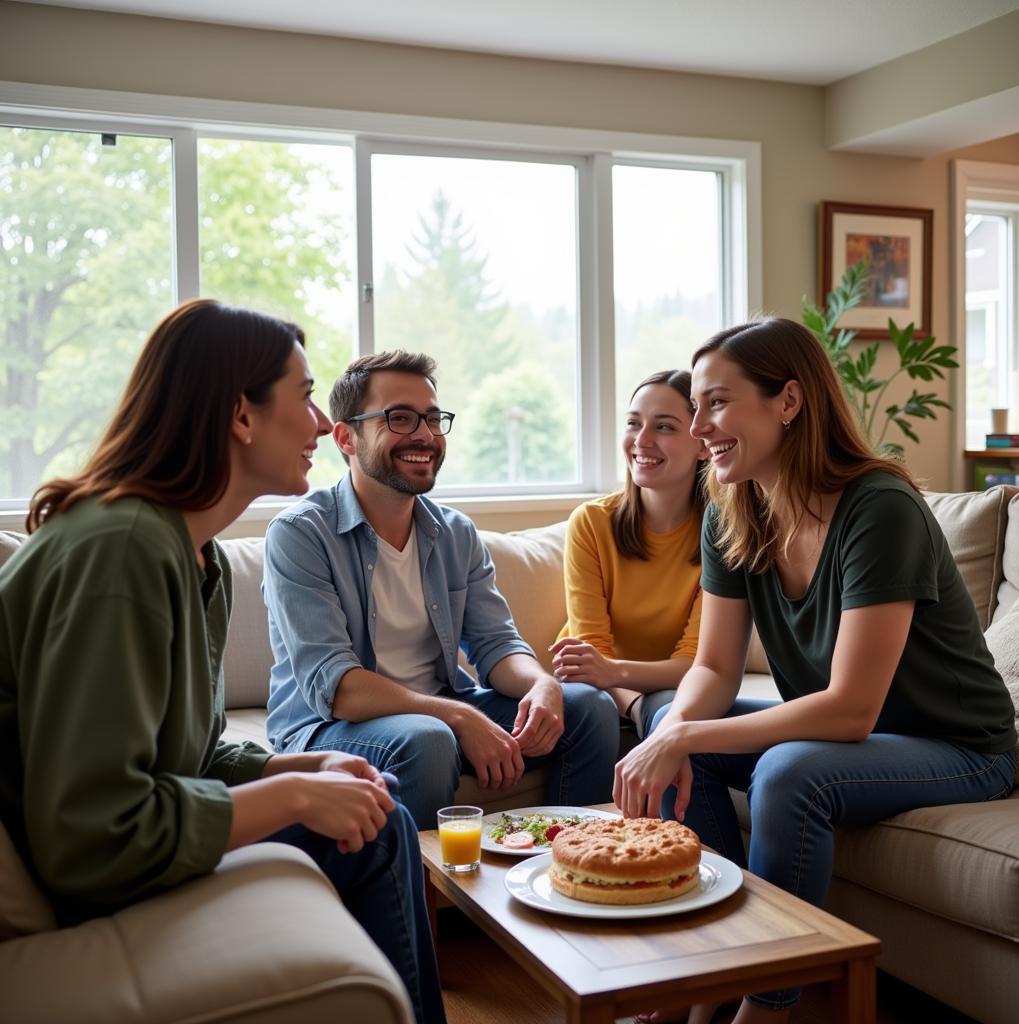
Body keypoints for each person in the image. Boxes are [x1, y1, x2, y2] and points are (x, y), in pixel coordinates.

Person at [0, 300, 447, 1024]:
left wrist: (293, 769)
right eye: (303, 398)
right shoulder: (122, 551)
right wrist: (296, 799)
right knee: (372, 824)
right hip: (85, 873)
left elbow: (188, 753)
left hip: (116, 845)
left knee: (378, 814)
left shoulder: (187, 552)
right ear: (242, 416)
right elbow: (92, 835)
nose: (314, 426)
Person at [614, 318, 1016, 1024]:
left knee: (790, 769)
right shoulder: (731, 508)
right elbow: (712, 667)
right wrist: (671, 734)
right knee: (665, 718)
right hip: (850, 742)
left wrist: (683, 739)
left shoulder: (879, 508)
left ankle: (767, 1004)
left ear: (789, 402)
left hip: (958, 747)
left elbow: (850, 710)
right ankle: (708, 972)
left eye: (716, 402)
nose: (700, 425)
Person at [263, 350, 620, 829]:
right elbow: (338, 688)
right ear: (347, 438)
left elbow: (496, 645)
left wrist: (542, 684)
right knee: (429, 739)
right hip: (329, 727)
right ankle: (422, 901)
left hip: (438, 712)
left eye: (433, 419)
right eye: (401, 418)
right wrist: (460, 719)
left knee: (589, 709)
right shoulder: (301, 533)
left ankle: (568, 868)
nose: (426, 436)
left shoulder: (454, 532)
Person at [551, 370, 707, 739]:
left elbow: (698, 662)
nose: (641, 440)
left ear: (702, 443)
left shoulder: (723, 534)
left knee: (672, 708)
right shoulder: (592, 522)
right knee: (612, 707)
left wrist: (616, 672)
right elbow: (590, 657)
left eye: (665, 427)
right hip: (590, 688)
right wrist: (635, 704)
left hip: (656, 684)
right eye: (633, 423)